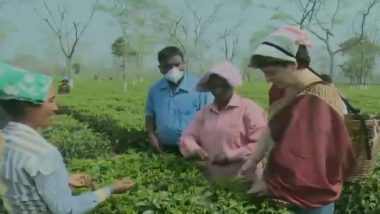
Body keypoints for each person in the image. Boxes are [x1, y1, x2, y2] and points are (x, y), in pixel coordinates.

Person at [236, 26, 356, 214]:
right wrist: (253, 159)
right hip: (285, 188)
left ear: (292, 64)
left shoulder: (321, 98)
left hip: (314, 197)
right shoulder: (280, 90)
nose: (267, 79)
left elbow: (309, 159)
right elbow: (272, 126)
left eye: (271, 72)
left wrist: (270, 184)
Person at [0, 62, 135, 213]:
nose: (55, 107)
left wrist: (63, 180)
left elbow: (22, 184)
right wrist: (109, 189)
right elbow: (66, 210)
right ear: (28, 106)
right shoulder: (44, 154)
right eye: (50, 101)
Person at [179, 61, 266, 180]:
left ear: (231, 85)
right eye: (214, 87)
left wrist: (230, 156)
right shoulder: (205, 112)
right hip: (214, 177)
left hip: (246, 178)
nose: (218, 91)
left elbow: (261, 143)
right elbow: (187, 136)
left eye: (223, 86)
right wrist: (195, 149)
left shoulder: (248, 108)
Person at [145, 46, 213, 153]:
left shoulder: (200, 88)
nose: (174, 70)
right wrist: (151, 135)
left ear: (184, 64)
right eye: (168, 66)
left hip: (195, 150)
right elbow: (149, 115)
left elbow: (212, 118)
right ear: (161, 69)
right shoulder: (155, 90)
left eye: (177, 65)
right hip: (164, 149)